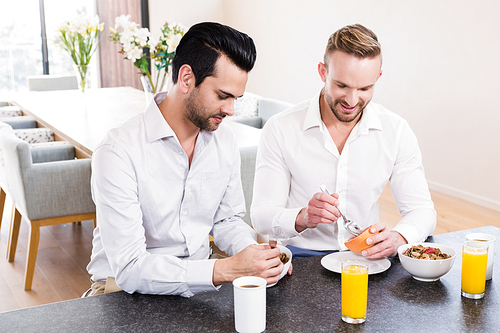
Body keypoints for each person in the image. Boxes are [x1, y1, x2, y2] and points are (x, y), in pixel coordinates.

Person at [86, 22, 285, 298]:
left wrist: (257, 255)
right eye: (222, 96)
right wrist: (225, 270)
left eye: (236, 99)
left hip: (198, 283)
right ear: (186, 78)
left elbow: (226, 220)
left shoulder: (223, 141)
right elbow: (131, 267)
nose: (230, 110)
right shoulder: (118, 152)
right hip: (122, 291)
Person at [251, 24, 436, 259]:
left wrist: (398, 238)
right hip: (301, 256)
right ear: (323, 72)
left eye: (365, 88)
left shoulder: (396, 131)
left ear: (377, 78)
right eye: (342, 86)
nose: (351, 100)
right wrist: (302, 217)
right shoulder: (280, 128)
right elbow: (261, 216)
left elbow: (422, 211)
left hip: (364, 258)